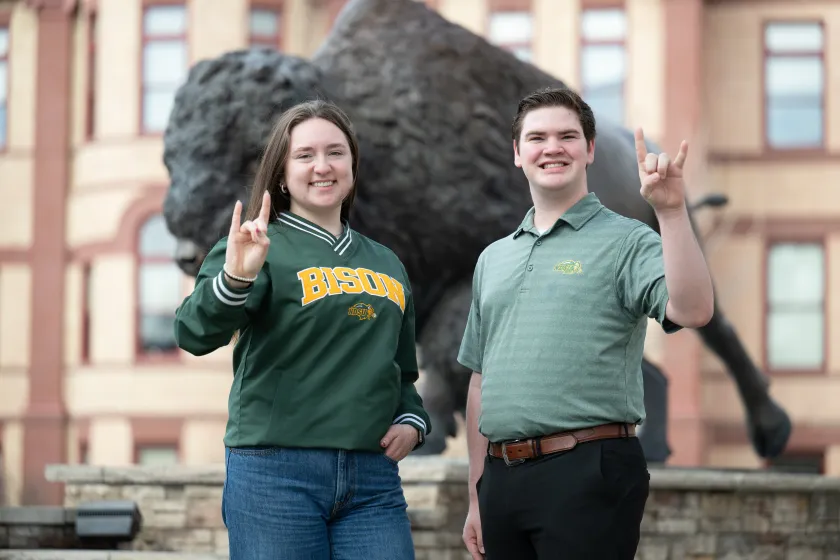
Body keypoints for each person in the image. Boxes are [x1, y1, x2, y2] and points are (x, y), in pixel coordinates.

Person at [458, 87, 714, 559]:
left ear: (589, 149)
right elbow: (479, 381)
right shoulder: (493, 258)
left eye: (567, 136)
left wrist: (672, 212)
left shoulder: (627, 241)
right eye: (537, 137)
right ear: (517, 154)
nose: (552, 147)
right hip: (500, 479)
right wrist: (476, 493)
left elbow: (694, 309)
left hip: (589, 471)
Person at [173, 99, 431, 560]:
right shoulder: (255, 245)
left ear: (352, 163)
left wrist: (412, 419)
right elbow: (194, 333)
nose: (322, 166)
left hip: (372, 478)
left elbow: (400, 370)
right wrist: (235, 278)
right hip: (275, 473)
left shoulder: (386, 261)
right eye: (305, 155)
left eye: (335, 152)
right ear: (281, 171)